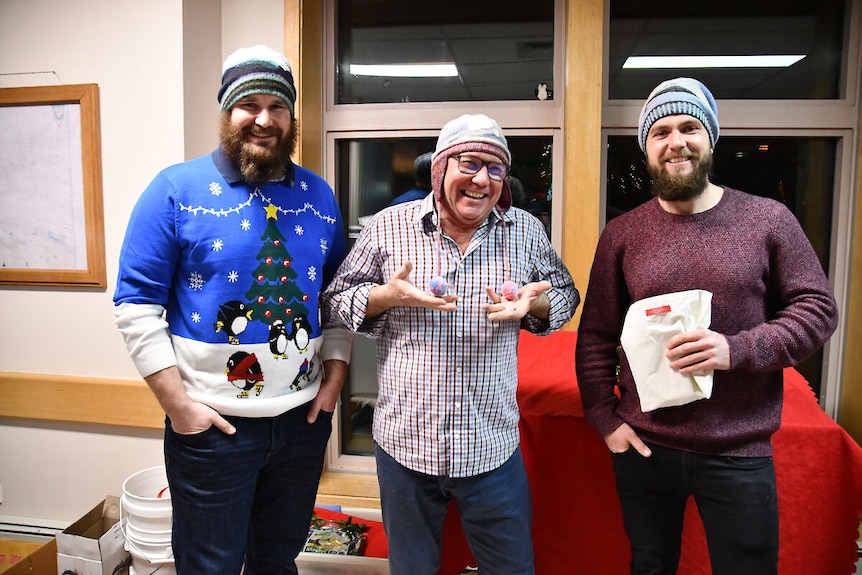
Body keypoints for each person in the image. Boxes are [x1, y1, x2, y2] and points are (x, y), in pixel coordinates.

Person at [575, 77, 839, 575]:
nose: (676, 141)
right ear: (647, 149)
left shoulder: (767, 220)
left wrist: (737, 349)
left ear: (710, 139)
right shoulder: (623, 233)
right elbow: (595, 334)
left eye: (690, 127)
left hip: (738, 447)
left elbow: (817, 309)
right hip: (645, 444)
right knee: (649, 566)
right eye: (661, 132)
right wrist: (604, 419)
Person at [113, 45, 351, 574]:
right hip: (212, 429)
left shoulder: (319, 196)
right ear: (226, 110)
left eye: (277, 106)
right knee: (208, 566)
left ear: (291, 117)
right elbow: (135, 306)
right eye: (249, 104)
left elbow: (339, 298)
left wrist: (333, 381)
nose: (263, 120)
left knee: (277, 559)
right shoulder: (175, 191)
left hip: (301, 424)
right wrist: (180, 408)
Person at [322, 113, 579, 575]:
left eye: (495, 168)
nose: (481, 179)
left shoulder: (525, 231)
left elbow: (564, 296)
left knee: (513, 569)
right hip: (406, 448)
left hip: (491, 449)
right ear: (440, 169)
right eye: (469, 163)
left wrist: (531, 307)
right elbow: (335, 301)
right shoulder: (388, 227)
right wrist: (383, 298)